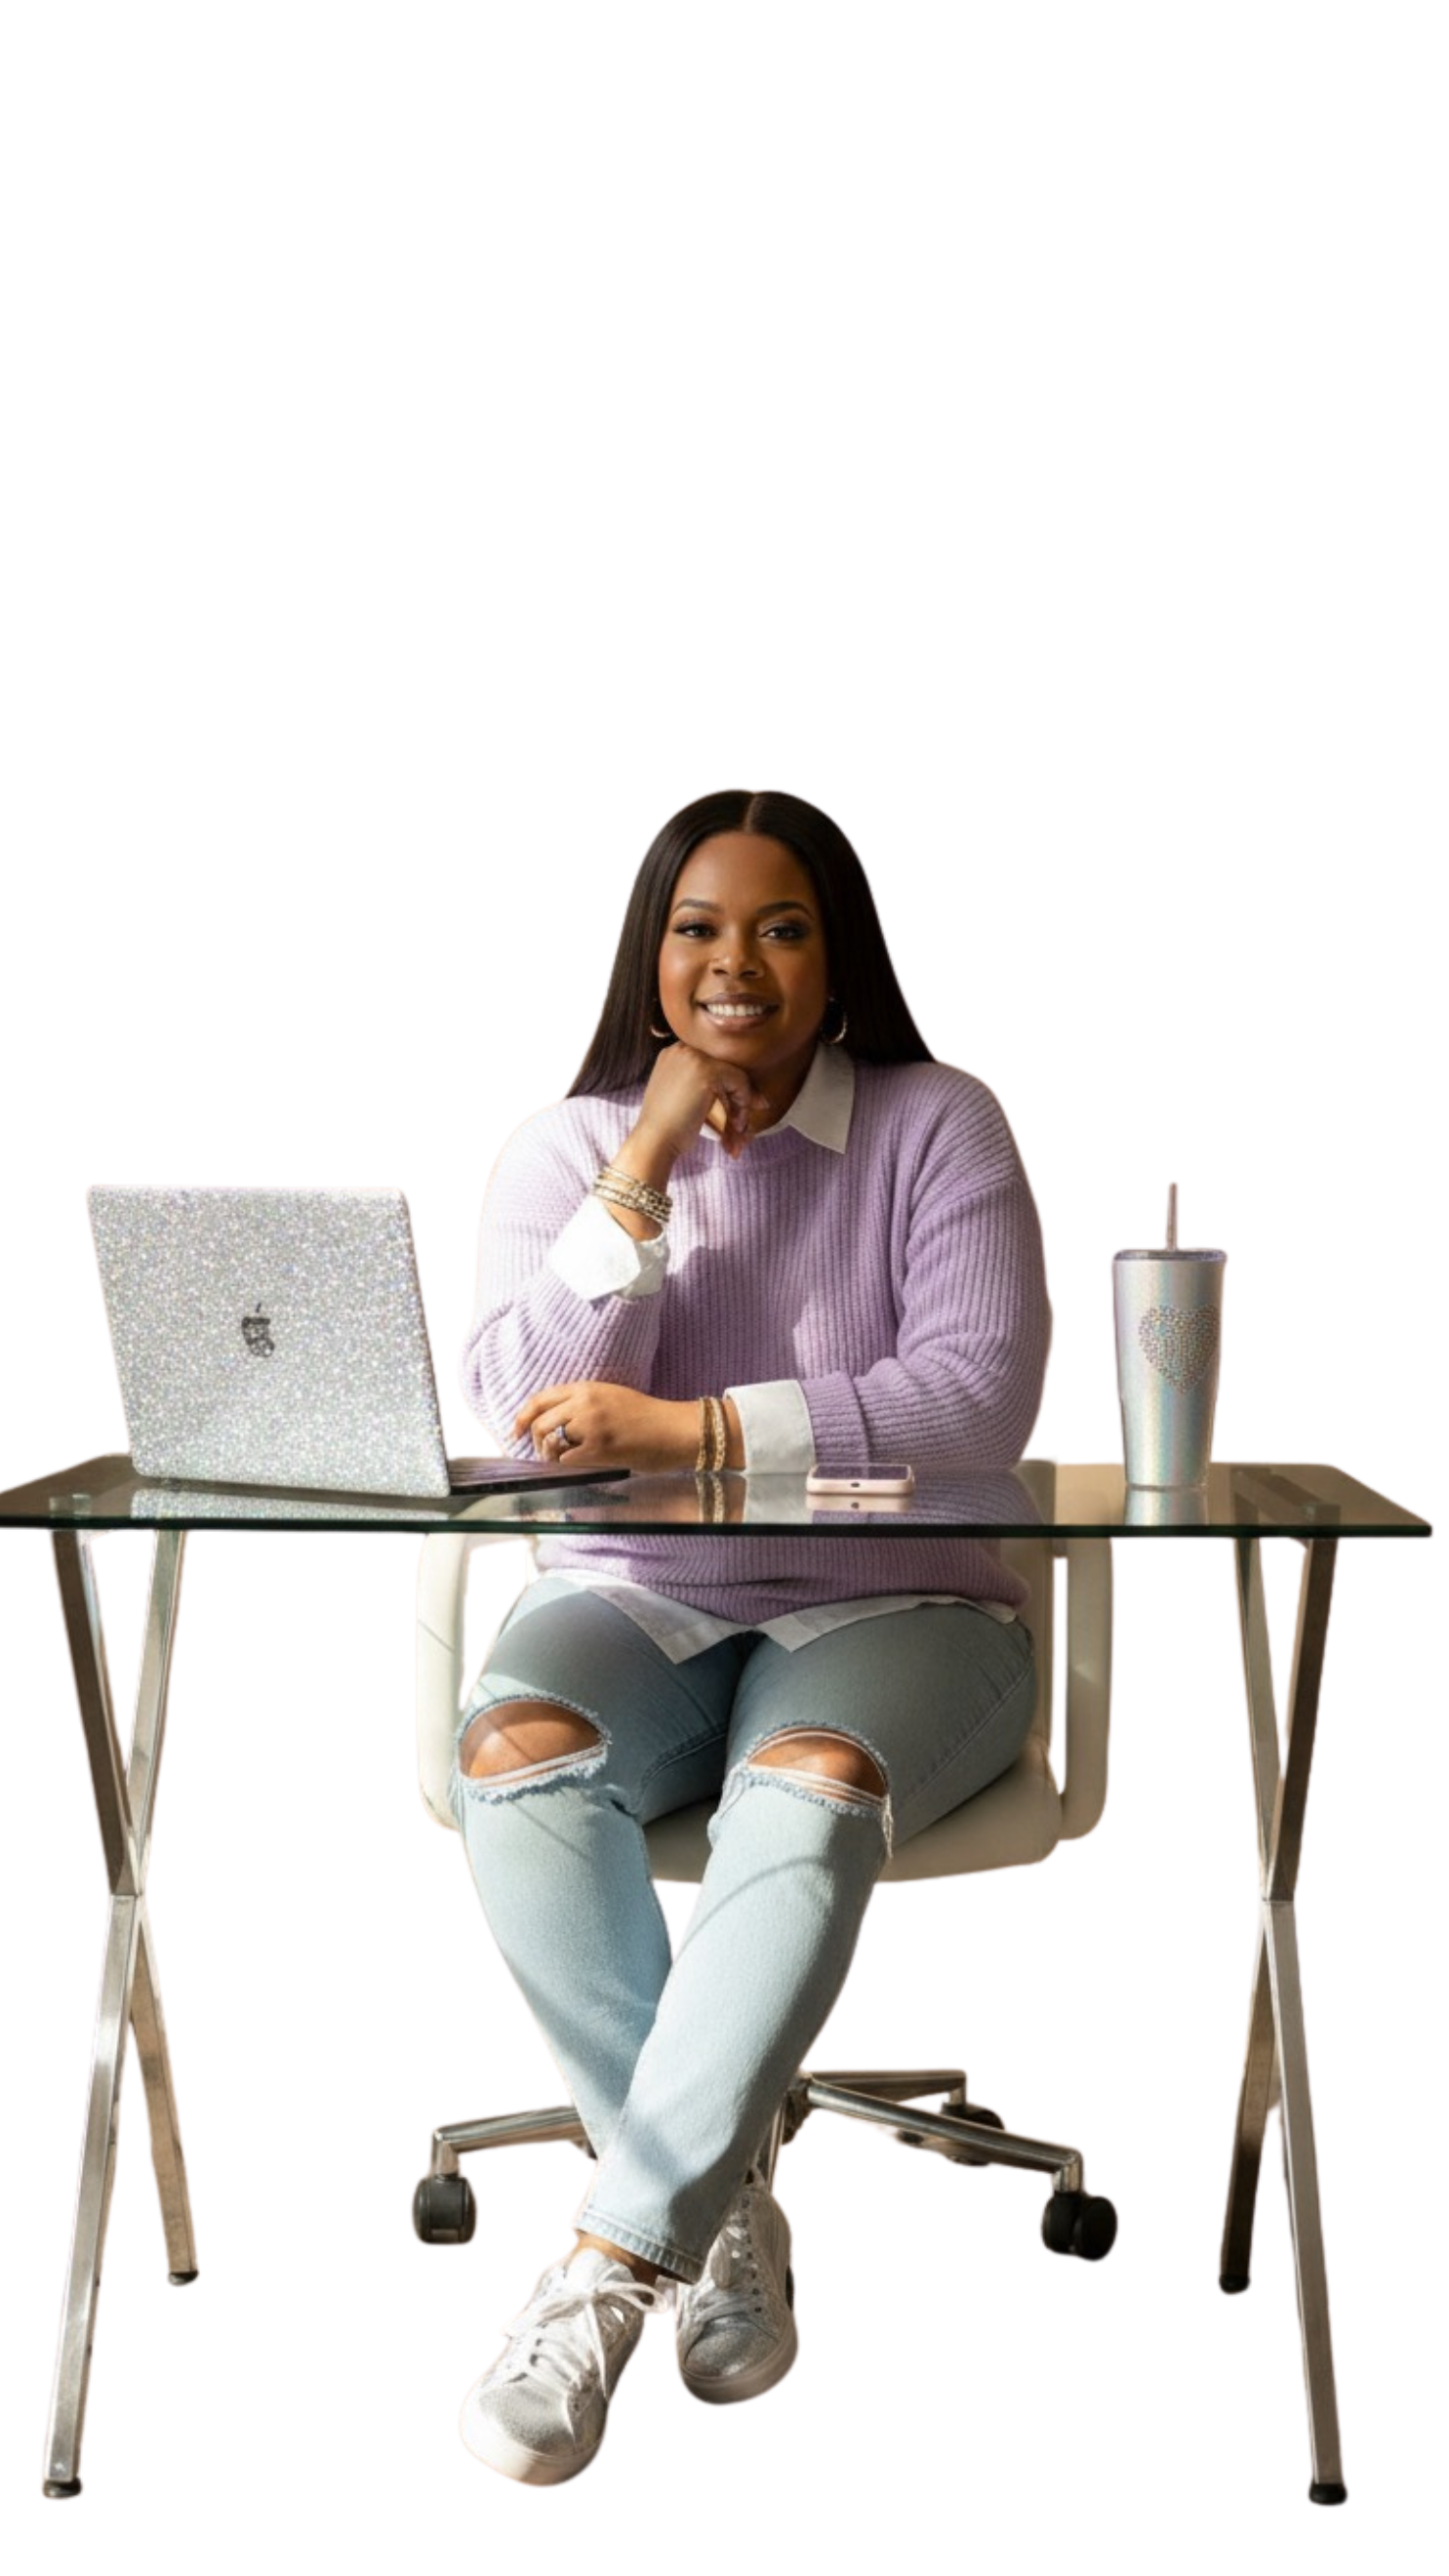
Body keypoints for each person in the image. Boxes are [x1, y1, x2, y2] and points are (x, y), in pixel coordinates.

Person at [451, 785, 1049, 2490]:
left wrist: (688, 1433)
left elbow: (976, 1394)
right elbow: (508, 1413)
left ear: (838, 957)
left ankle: (601, 2272)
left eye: (781, 928)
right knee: (512, 1743)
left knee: (808, 1770)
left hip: (907, 1599)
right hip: (642, 1596)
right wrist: (643, 1163)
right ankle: (706, 2212)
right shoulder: (563, 1146)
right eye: (700, 930)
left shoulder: (941, 1125)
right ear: (651, 961)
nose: (738, 966)